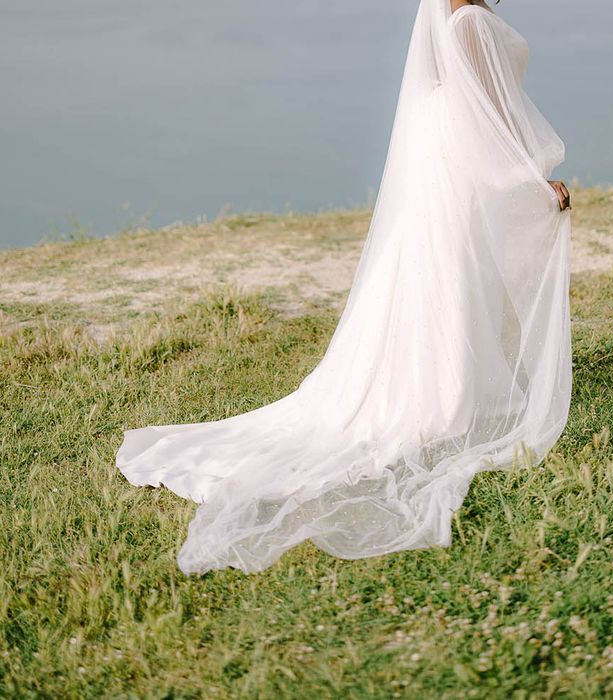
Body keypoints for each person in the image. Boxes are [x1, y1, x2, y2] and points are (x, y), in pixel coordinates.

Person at [116, 0, 573, 575]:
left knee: (440, 280)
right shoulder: (471, 22)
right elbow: (488, 115)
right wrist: (533, 179)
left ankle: (445, 383)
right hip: (462, 166)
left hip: (445, 168)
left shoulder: (447, 22)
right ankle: (449, 393)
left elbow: (456, 108)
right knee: (455, 280)